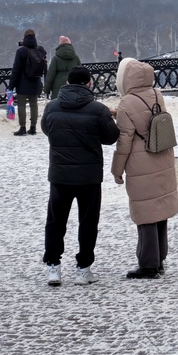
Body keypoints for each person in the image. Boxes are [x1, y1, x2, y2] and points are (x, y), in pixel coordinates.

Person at [40, 66, 119, 286]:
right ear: (89, 84)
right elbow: (111, 137)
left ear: (66, 83)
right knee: (88, 222)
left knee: (56, 221)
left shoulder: (52, 107)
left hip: (60, 174)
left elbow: (47, 130)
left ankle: (53, 267)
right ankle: (83, 269)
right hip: (88, 177)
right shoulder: (98, 109)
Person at [112, 58, 178, 279]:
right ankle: (159, 260)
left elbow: (124, 141)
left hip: (141, 161)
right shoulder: (156, 94)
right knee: (159, 211)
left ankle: (148, 265)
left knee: (146, 214)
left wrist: (117, 169)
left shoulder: (126, 103)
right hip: (162, 155)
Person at [10, 29, 48, 136]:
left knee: (21, 105)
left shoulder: (21, 51)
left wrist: (11, 85)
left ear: (25, 38)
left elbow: (16, 69)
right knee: (34, 105)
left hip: (22, 83)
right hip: (35, 82)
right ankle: (33, 127)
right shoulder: (40, 50)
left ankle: (22, 127)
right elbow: (44, 67)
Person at [44, 36, 82, 100]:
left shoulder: (56, 58)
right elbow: (81, 73)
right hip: (73, 84)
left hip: (58, 87)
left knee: (58, 104)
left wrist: (46, 90)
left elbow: (50, 75)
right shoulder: (76, 58)